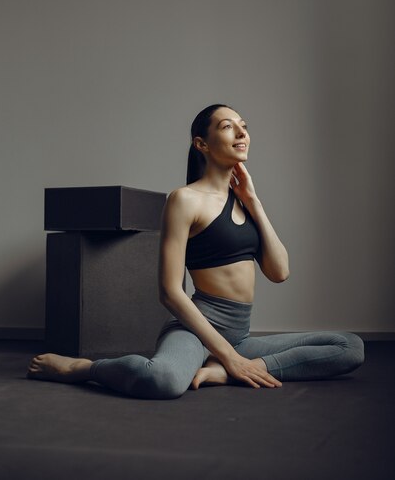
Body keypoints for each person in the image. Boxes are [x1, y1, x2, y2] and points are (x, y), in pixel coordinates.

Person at [27, 103, 364, 398]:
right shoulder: (185, 199)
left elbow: (280, 272)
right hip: (195, 330)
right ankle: (82, 368)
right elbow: (170, 293)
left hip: (240, 336)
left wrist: (254, 201)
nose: (241, 132)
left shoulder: (244, 203)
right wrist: (228, 355)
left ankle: (222, 371)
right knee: (162, 380)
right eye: (227, 126)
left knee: (349, 346)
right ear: (201, 144)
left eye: (243, 126)